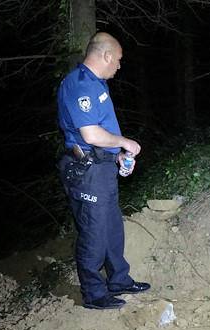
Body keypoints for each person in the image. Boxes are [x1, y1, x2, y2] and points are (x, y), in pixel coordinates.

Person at [56, 32, 150, 310]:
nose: (119, 66)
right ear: (106, 55)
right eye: (118, 60)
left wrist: (117, 155)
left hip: (102, 168)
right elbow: (91, 133)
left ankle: (119, 280)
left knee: (112, 229)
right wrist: (126, 142)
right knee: (94, 234)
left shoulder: (97, 84)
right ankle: (94, 294)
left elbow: (101, 135)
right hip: (86, 173)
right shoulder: (79, 84)